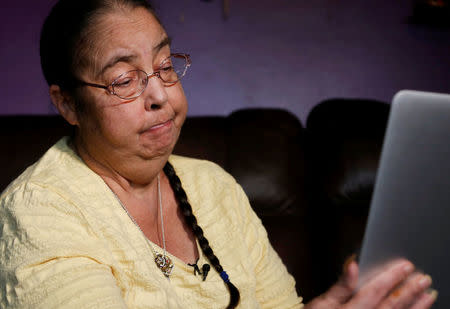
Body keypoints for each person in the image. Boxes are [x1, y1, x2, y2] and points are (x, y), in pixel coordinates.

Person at [0, 0, 437, 308]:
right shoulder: (40, 209)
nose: (159, 94)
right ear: (68, 105)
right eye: (124, 79)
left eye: (166, 66)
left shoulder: (213, 185)